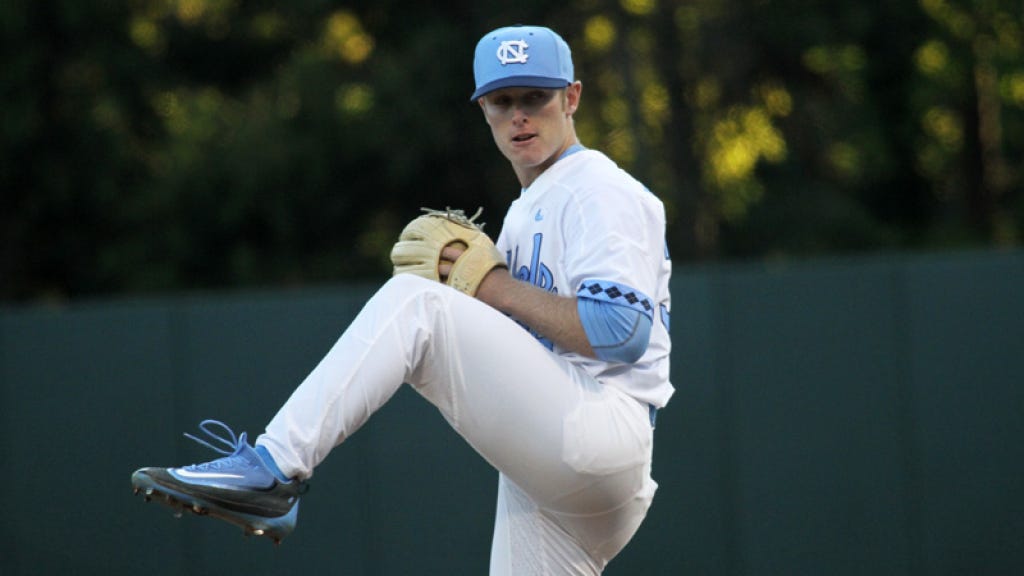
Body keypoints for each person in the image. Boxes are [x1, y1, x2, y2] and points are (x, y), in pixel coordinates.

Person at [132, 24, 673, 575]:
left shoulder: (600, 189)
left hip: (601, 433)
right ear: (483, 109)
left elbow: (622, 332)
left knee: (416, 303)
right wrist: (482, 298)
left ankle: (273, 467)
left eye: (535, 97)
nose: (519, 116)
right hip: (554, 469)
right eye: (502, 101)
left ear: (572, 97)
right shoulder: (526, 207)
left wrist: (488, 287)